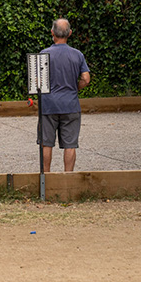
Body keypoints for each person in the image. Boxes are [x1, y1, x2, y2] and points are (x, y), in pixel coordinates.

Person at [38, 18, 91, 172]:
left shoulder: (44, 54)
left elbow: (38, 81)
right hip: (71, 104)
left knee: (46, 143)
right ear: (70, 33)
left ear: (52, 32)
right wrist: (75, 88)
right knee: (70, 145)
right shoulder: (78, 55)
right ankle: (68, 179)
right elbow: (86, 79)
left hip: (48, 105)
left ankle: (46, 179)